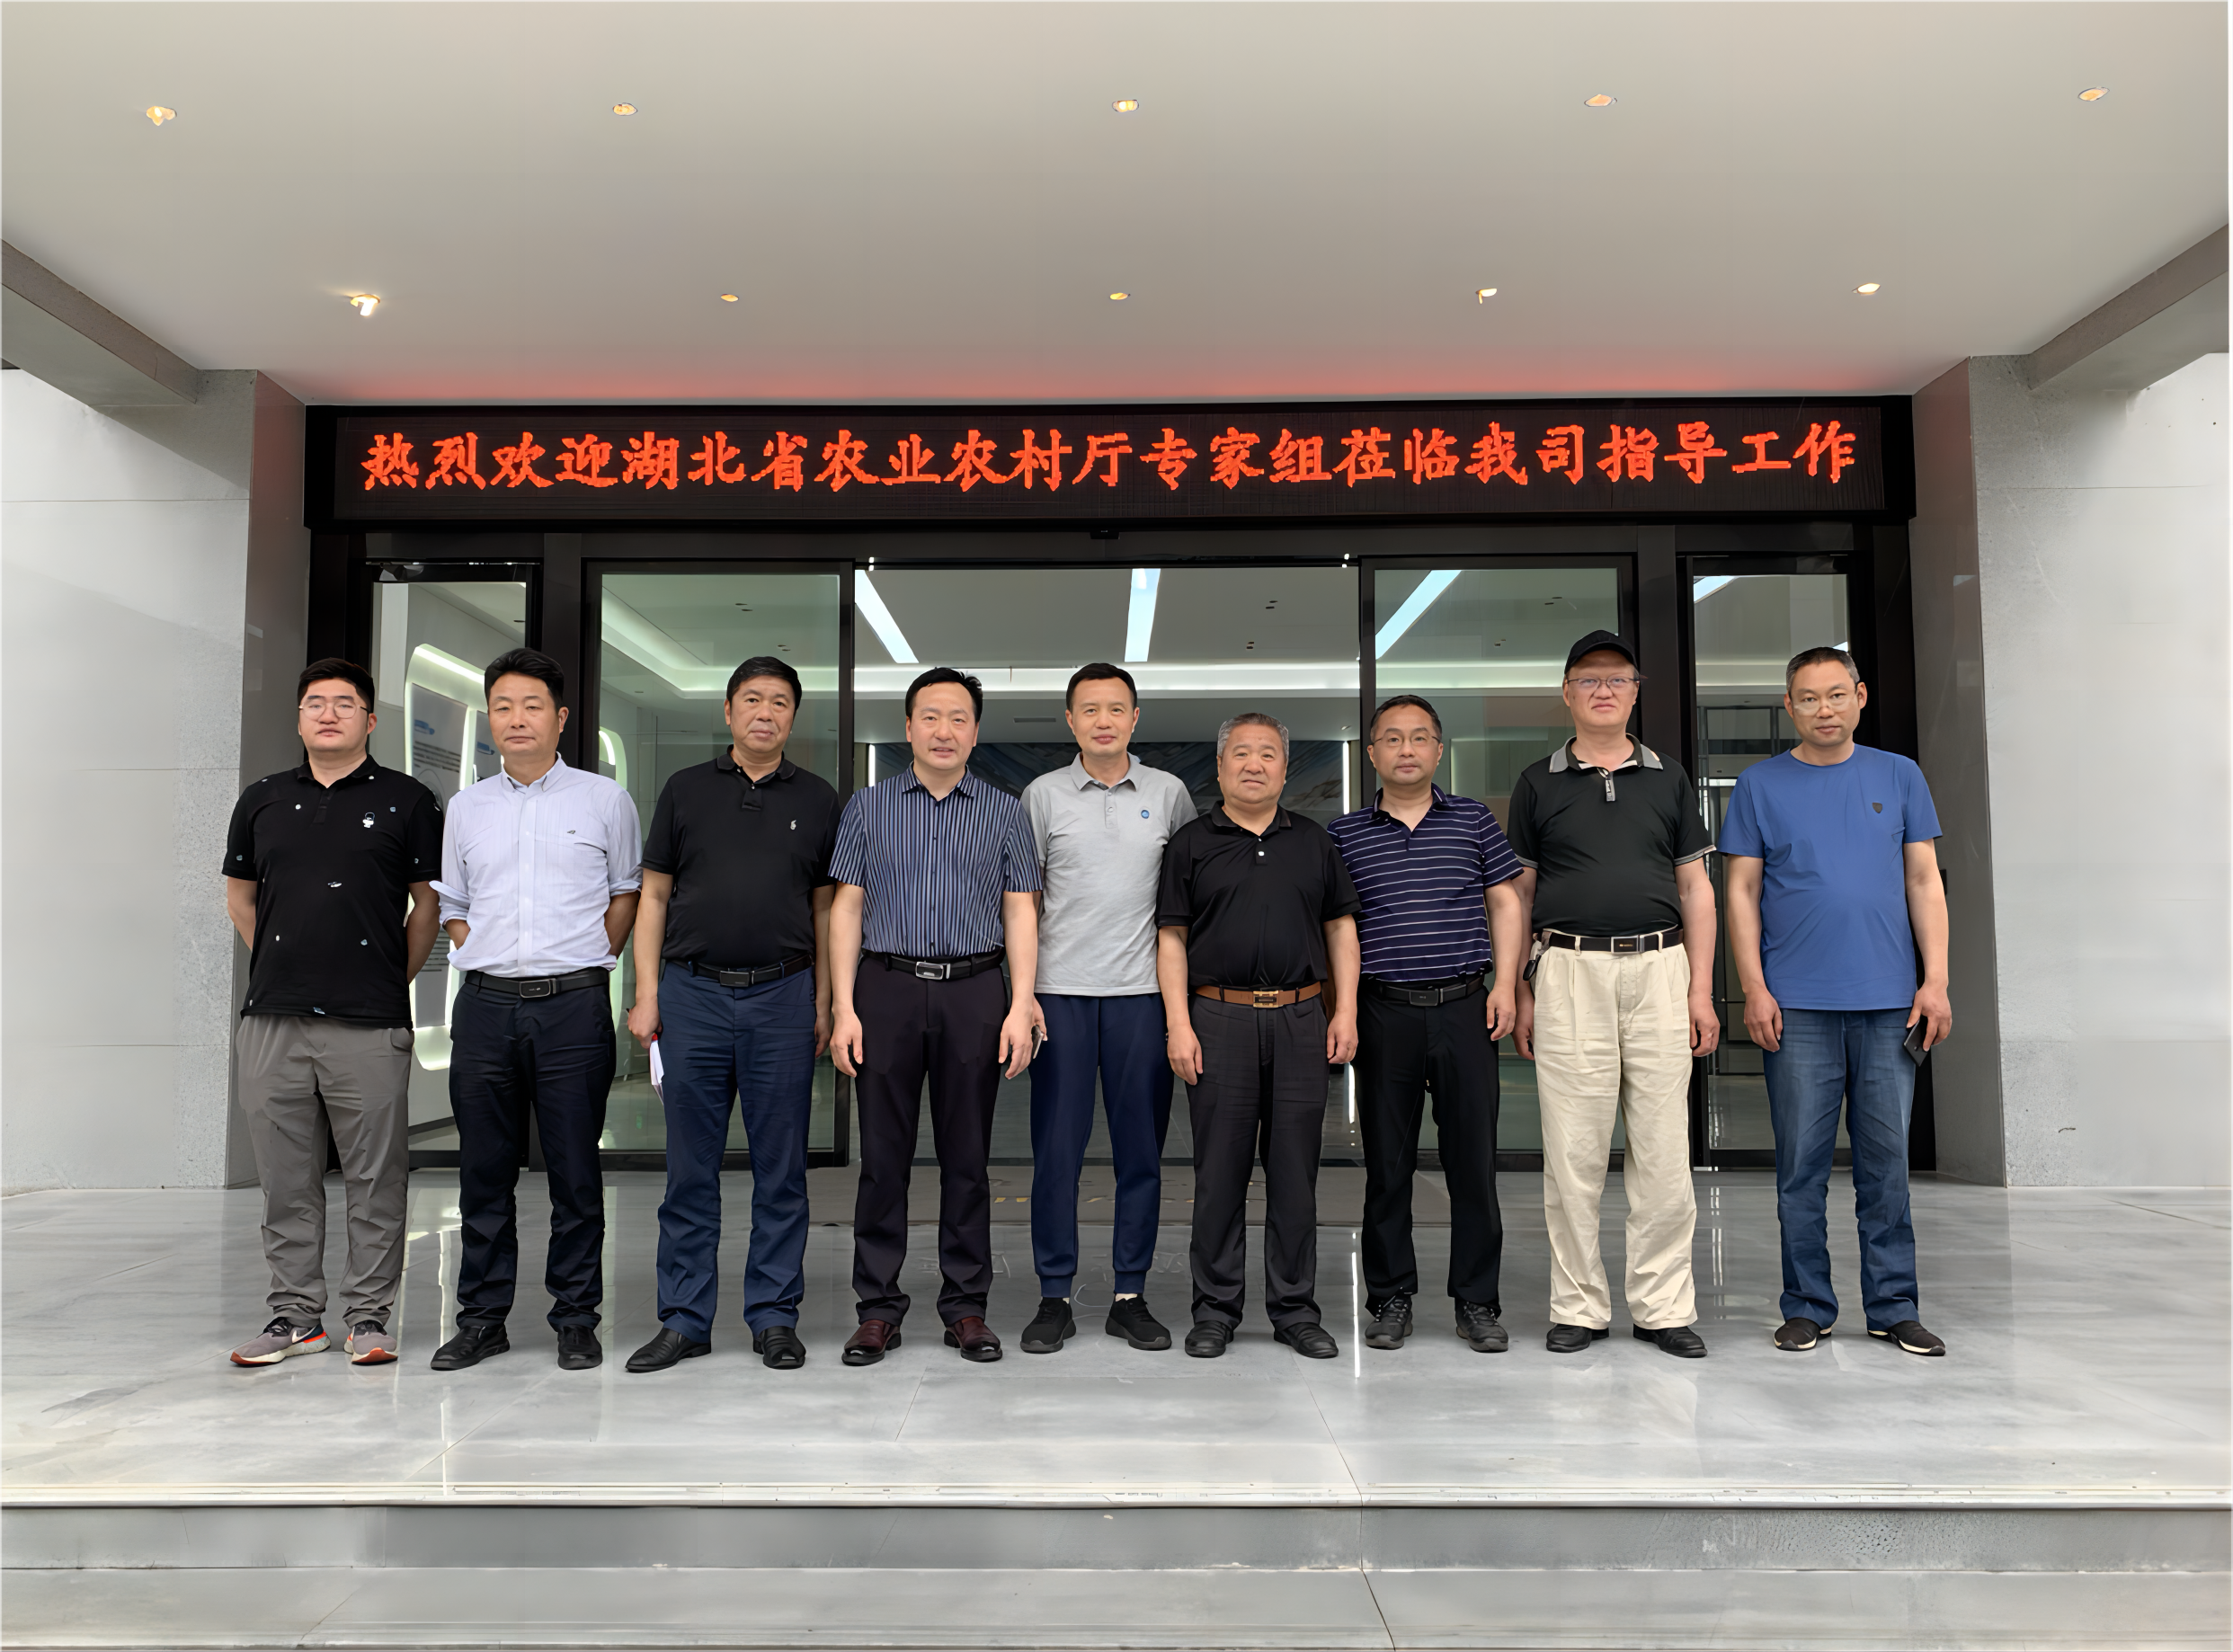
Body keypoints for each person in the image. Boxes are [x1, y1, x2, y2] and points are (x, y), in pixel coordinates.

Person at [1721, 645, 1953, 1358]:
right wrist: (1754, 988)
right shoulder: (1759, 785)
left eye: (1836, 694)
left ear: (1860, 697)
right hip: (1796, 1007)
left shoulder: (1899, 774)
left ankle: (1893, 1306)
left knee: (1887, 1166)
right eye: (1808, 698)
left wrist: (1936, 980)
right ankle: (1806, 1307)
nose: (1824, 709)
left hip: (1890, 1005)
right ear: (1789, 707)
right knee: (1801, 1167)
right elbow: (1741, 891)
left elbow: (1924, 881)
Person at [222, 659, 443, 1368]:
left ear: (369, 721)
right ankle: (295, 1317)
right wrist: (282, 962)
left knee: (376, 1176)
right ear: (298, 718)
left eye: (344, 704)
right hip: (272, 1019)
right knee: (285, 1178)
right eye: (314, 703)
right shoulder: (262, 799)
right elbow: (239, 895)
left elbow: (428, 905)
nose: (327, 714)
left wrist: (388, 977)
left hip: (369, 1022)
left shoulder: (408, 800)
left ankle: (369, 1317)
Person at [623, 657, 841, 1374]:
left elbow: (824, 908)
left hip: (783, 995)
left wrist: (823, 1001)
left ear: (793, 716)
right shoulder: (685, 790)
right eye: (752, 699)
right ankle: (684, 1319)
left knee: (782, 1169)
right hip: (694, 996)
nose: (765, 713)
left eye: (779, 702)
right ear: (728, 711)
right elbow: (654, 897)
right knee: (691, 1169)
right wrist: (647, 993)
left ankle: (774, 1316)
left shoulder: (818, 798)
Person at [430, 648, 641, 1372]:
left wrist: (591, 956)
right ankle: (482, 1319)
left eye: (531, 706)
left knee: (575, 1171)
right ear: (490, 718)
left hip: (572, 1008)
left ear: (561, 717)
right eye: (503, 707)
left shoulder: (604, 800)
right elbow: (453, 903)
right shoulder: (467, 807)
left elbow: (625, 893)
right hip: (485, 1008)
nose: (516, 719)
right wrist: (482, 951)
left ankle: (576, 1317)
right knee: (483, 1172)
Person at [1510, 630, 1718, 1359]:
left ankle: (1664, 1308)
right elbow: (1520, 892)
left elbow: (1696, 887)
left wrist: (1701, 990)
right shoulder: (1537, 782)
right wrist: (1521, 986)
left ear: (1636, 692)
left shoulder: (1669, 778)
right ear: (1566, 693)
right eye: (1589, 679)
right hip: (1568, 971)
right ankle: (1579, 1307)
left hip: (1661, 970)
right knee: (1573, 1153)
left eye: (1618, 679)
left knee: (1663, 1151)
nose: (1604, 690)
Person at [828, 667, 1043, 1366]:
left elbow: (1021, 910)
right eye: (930, 716)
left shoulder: (1006, 812)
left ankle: (966, 1307)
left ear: (975, 733)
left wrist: (1020, 1002)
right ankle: (877, 1309)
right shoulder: (868, 808)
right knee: (882, 1159)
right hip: (885, 988)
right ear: (909, 728)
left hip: (974, 990)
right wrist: (843, 1007)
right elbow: (847, 908)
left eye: (958, 718)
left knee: (968, 1159)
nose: (944, 730)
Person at [1156, 713, 1360, 1360]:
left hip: (1301, 1018)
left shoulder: (1314, 842)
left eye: (1267, 754)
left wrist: (1345, 1012)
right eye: (1240, 753)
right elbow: (1171, 938)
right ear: (1219, 769)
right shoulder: (1191, 843)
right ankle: (1214, 1310)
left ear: (1284, 768)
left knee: (1296, 1173)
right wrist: (1179, 1023)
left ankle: (1295, 1310)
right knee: (1219, 1173)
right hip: (1218, 1019)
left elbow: (1341, 930)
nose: (1254, 764)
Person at [1329, 694, 1526, 1355]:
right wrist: (1345, 1008)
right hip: (1384, 1012)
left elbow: (1505, 902)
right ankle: (1390, 1298)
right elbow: (1338, 928)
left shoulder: (1472, 819)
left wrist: (1506, 983)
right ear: (1372, 754)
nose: (1406, 749)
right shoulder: (1345, 834)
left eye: (1419, 737)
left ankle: (1477, 1301)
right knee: (1388, 1165)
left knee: (1473, 1164)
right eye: (1392, 738)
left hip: (1465, 1008)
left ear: (1439, 750)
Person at [1017, 664, 1197, 1354]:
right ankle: (1053, 1296)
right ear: (1070, 720)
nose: (1103, 721)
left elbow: (1185, 895)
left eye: (1116, 709)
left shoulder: (1168, 793)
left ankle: (1130, 1295)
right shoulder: (1042, 795)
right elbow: (1024, 901)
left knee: (1140, 1155)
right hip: (1059, 996)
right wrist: (1024, 994)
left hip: (1142, 999)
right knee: (1056, 1155)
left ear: (1135, 718)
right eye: (1089, 709)